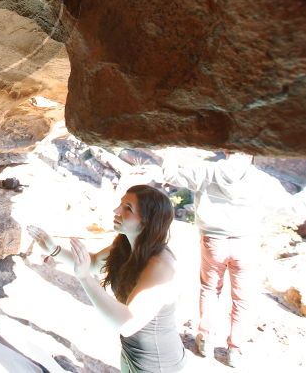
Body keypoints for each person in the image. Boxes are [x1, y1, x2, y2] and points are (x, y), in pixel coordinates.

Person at [29, 185, 186, 373]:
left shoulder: (161, 267)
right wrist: (54, 250)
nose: (116, 211)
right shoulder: (127, 244)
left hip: (157, 364)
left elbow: (127, 323)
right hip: (131, 353)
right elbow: (94, 262)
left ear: (147, 221)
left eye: (128, 208)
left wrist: (85, 278)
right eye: (121, 204)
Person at [157, 151, 259, 368]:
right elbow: (289, 206)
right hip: (245, 242)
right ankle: (235, 349)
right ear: (252, 153)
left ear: (226, 150)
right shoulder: (260, 178)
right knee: (242, 297)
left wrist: (169, 151)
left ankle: (206, 340)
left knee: (210, 289)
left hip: (214, 240)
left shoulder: (208, 170)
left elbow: (172, 175)